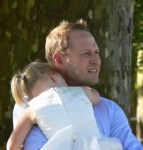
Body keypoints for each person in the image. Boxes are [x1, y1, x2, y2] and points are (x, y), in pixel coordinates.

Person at [13, 20, 143, 150]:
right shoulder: (33, 105)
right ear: (59, 59)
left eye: (96, 52)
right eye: (86, 53)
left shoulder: (109, 108)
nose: (96, 60)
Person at [7, 61, 122, 150]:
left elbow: (12, 146)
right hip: (96, 146)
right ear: (53, 76)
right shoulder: (80, 92)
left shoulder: (32, 109)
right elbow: (97, 98)